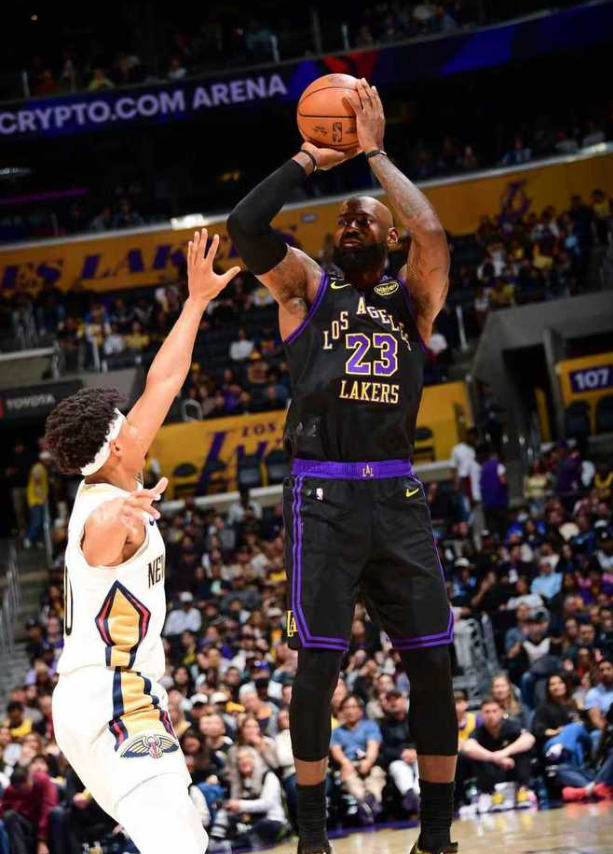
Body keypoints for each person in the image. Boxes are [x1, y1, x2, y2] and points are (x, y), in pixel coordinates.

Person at [228, 77, 457, 854]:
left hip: (395, 494)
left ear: (387, 237)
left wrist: (374, 156)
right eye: (341, 219)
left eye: (363, 218)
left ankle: (436, 837)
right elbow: (244, 225)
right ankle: (313, 839)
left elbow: (430, 230)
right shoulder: (306, 286)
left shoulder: (412, 299)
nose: (348, 224)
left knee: (433, 665)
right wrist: (307, 158)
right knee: (317, 667)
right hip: (321, 495)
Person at [44, 229, 239, 854]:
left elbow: (165, 380)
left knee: (182, 832)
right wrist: (121, 516)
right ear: (115, 448)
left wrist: (196, 301)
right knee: (177, 842)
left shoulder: (116, 467)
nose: (138, 422)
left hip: (113, 694)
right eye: (126, 424)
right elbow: (98, 542)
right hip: (112, 694)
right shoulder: (105, 513)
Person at [461, 697, 535, 806]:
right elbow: (468, 747)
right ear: (481, 714)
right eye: (487, 712)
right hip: (490, 772)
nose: (491, 715)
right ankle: (491, 795)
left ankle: (523, 791)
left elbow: (529, 739)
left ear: (501, 712)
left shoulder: (511, 726)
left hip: (512, 768)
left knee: (524, 753)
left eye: (494, 711)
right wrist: (494, 757)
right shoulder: (478, 731)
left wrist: (504, 753)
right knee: (474, 757)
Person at [329, 695, 386, 823]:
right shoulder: (336, 732)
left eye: (353, 707)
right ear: (341, 711)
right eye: (346, 707)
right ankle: (367, 803)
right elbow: (336, 750)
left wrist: (368, 761)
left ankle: (369, 802)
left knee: (375, 776)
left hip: (370, 762)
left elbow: (373, 745)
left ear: (360, 710)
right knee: (350, 779)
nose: (350, 711)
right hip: (348, 764)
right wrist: (345, 763)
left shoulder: (370, 725)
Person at [0, 762, 58, 854]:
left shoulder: (42, 780)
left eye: (26, 788)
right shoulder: (12, 789)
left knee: (55, 813)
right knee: (9, 816)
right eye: (20, 790)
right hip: (26, 823)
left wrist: (42, 841)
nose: (24, 792)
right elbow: (3, 810)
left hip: (44, 824)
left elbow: (47, 810)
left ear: (29, 778)